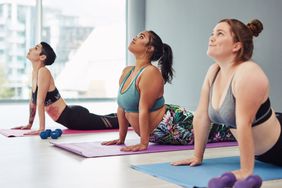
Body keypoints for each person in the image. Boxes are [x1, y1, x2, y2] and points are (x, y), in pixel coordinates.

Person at [171, 19, 282, 180]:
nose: (211, 38)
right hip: (265, 156)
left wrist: (246, 170)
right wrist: (197, 156)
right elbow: (202, 116)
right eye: (212, 34)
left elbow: (244, 123)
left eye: (220, 34)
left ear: (236, 46)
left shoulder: (248, 73)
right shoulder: (213, 72)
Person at [102, 30, 235, 152]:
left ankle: (245, 119)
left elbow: (144, 110)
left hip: (175, 124)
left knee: (228, 130)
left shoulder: (150, 72)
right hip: (158, 134)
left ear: (149, 48)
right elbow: (121, 108)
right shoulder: (127, 72)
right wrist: (121, 139)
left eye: (141, 37)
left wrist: (143, 143)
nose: (135, 38)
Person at [12, 42, 119, 135]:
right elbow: (33, 102)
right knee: (107, 119)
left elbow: (40, 102)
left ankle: (131, 117)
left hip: (75, 118)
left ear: (42, 57)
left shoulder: (43, 72)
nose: (30, 49)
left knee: (113, 123)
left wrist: (41, 129)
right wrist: (29, 124)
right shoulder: (35, 73)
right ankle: (122, 115)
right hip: (71, 115)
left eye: (35, 48)